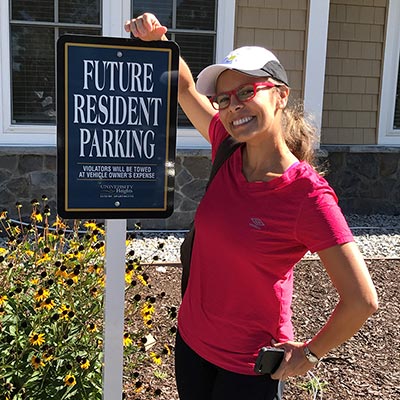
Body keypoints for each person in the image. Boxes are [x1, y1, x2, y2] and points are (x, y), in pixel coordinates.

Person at [125, 13, 379, 400]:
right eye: (224, 99)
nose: (232, 106)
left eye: (247, 91)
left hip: (248, 369)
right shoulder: (227, 149)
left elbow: (362, 300)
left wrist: (311, 353)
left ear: (280, 94)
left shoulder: (307, 196)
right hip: (191, 345)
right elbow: (185, 90)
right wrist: (162, 43)